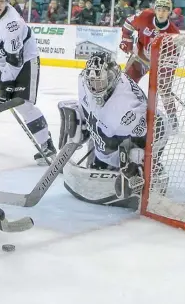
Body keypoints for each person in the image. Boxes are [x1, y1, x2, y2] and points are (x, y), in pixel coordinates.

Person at [58, 52, 169, 208]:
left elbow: (154, 127)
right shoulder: (83, 79)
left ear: (112, 78)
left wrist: (135, 166)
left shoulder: (124, 106)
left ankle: (148, 171)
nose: (95, 88)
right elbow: (91, 106)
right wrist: (81, 121)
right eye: (93, 82)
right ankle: (106, 161)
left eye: (101, 83)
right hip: (111, 132)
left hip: (144, 132)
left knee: (135, 153)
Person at [0, 0, 56, 165]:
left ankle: (46, 144)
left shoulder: (12, 24)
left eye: (1, 1)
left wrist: (6, 85)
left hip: (24, 62)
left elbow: (15, 60)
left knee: (22, 104)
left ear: (7, 1)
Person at [119, 0, 180, 130]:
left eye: (165, 10)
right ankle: (123, 110)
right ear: (155, 9)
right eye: (159, 9)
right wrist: (126, 40)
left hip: (162, 61)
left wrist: (163, 71)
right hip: (140, 57)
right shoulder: (145, 16)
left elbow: (172, 57)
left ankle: (172, 119)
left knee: (164, 89)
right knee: (126, 83)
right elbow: (128, 23)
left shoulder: (173, 33)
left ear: (169, 12)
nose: (161, 12)